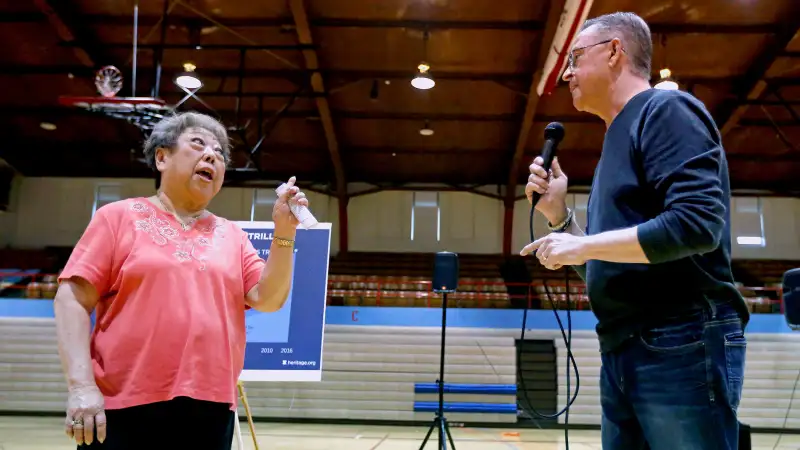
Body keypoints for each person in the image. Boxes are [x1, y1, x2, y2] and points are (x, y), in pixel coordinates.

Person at [519, 12, 749, 450]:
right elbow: (610, 264)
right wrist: (559, 217)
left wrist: (582, 244)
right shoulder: (613, 144)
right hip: (624, 347)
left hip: (679, 337)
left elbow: (696, 223)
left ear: (613, 51)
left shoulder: (666, 109)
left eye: (575, 56)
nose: (567, 71)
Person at [53, 111, 309, 449]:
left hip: (210, 409)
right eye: (199, 144)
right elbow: (71, 298)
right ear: (162, 157)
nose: (212, 156)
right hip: (123, 406)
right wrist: (81, 386)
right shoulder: (117, 218)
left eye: (219, 154)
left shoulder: (232, 235)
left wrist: (285, 230)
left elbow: (269, 298)